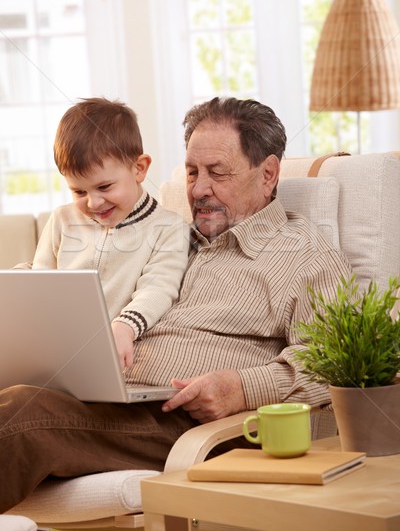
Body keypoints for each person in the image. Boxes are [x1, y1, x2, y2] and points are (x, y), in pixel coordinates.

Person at [0, 97, 353, 512]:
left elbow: (336, 363)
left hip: (188, 425)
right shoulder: (164, 234)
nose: (199, 189)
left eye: (217, 173)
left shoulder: (305, 255)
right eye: (191, 172)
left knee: (22, 416)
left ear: (269, 174)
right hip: (108, 401)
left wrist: (240, 388)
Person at [31, 97, 190, 368]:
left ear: (139, 169)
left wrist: (124, 327)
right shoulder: (61, 219)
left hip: (115, 358)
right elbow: (38, 286)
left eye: (104, 187)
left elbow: (159, 288)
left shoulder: (169, 228)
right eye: (79, 191)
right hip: (56, 355)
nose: (93, 203)